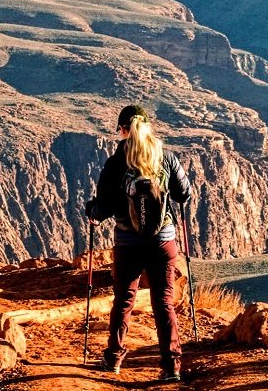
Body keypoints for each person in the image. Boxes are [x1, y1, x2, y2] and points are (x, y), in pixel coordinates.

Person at [84, 104, 192, 381]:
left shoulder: (116, 162)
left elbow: (103, 207)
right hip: (163, 242)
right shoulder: (166, 158)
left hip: (128, 243)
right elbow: (184, 195)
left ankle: (114, 359)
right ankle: (171, 366)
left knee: (124, 300)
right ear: (147, 126)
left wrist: (91, 211)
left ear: (122, 129)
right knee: (164, 303)